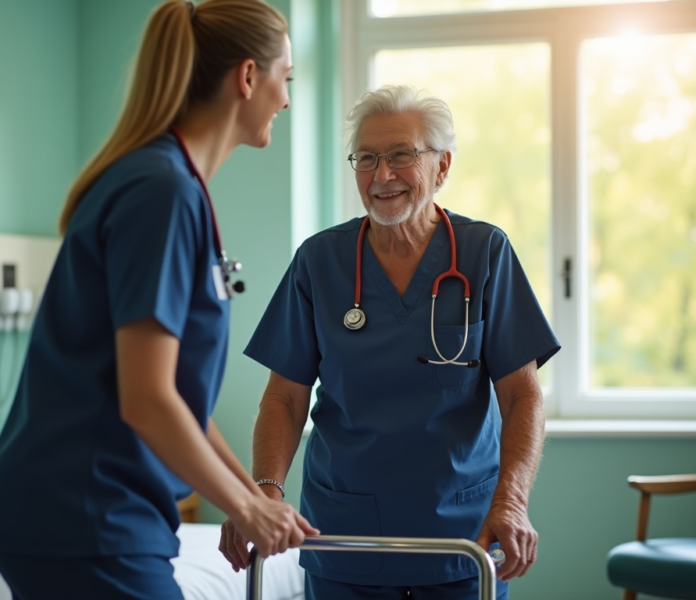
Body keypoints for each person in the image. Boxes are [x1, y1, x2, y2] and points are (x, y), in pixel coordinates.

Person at [0, 1, 317, 598]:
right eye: (283, 79)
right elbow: (148, 400)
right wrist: (243, 504)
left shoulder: (171, 185)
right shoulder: (161, 192)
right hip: (84, 511)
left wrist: (251, 499)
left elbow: (178, 399)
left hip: (90, 510)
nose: (286, 100)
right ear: (246, 77)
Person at [219, 84, 561, 600]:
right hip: (344, 535)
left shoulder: (484, 253)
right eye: (367, 158)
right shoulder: (319, 262)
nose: (382, 176)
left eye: (401, 155)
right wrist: (264, 492)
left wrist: (512, 500)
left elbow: (523, 396)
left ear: (442, 166)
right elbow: (285, 397)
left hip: (462, 538)